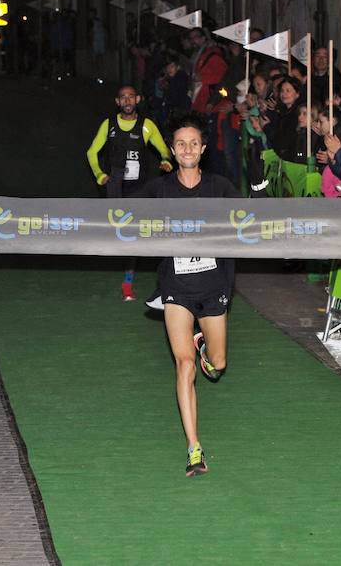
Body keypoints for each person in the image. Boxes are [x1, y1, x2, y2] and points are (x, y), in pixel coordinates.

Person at [139, 110, 240, 476]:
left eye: (193, 143)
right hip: (176, 287)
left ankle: (205, 350)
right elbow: (124, 217)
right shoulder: (159, 189)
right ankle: (194, 449)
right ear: (172, 148)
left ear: (202, 149)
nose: (186, 149)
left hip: (214, 287)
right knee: (183, 365)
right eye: (180, 143)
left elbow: (247, 223)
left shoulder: (220, 187)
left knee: (219, 365)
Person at [86, 85, 173, 300]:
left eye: (131, 97)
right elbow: (91, 152)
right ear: (117, 102)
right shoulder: (109, 125)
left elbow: (164, 150)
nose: (127, 101)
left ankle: (128, 284)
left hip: (139, 189)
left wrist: (165, 161)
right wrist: (99, 175)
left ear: (138, 99)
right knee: (116, 236)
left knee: (135, 236)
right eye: (123, 97)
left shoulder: (147, 126)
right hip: (115, 188)